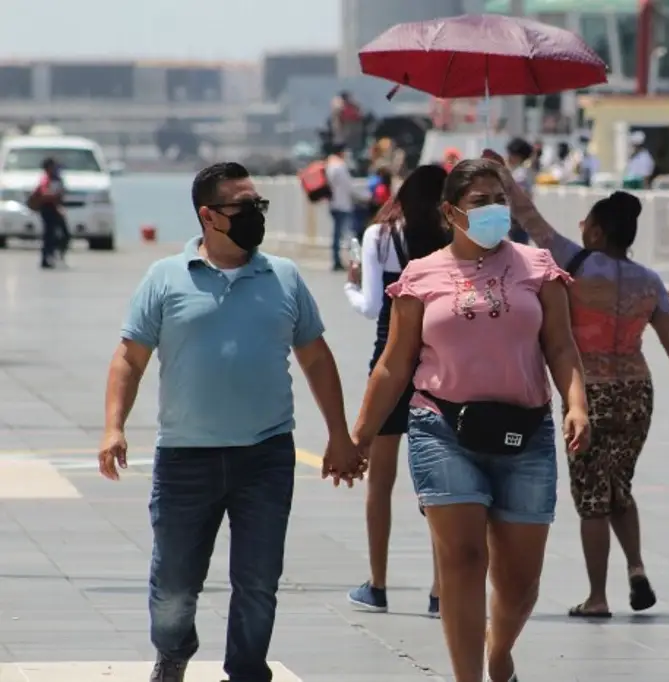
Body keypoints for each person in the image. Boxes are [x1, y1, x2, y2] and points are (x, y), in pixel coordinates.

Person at [98, 161, 365, 682]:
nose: (255, 215)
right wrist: (114, 426)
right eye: (243, 207)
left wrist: (339, 435)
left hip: (265, 457)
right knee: (175, 585)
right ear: (208, 216)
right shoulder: (166, 278)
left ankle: (245, 671)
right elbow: (129, 358)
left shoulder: (283, 276)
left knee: (258, 581)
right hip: (185, 459)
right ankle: (172, 654)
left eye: (259, 205)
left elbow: (315, 357)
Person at [351, 158, 591, 682]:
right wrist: (361, 435)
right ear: (450, 212)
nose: (493, 210)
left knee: (521, 581)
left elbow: (561, 347)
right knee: (461, 559)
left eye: (499, 198)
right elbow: (394, 363)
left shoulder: (539, 266)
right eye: (479, 202)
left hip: (525, 432)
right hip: (442, 429)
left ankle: (499, 648)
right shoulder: (421, 275)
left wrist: (576, 403)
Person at [487, 149, 669, 617]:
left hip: (588, 393)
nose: (580, 227)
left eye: (586, 221)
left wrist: (502, 175)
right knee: (619, 488)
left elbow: (530, 219)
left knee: (591, 496)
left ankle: (598, 596)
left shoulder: (577, 262)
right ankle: (636, 568)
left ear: (598, 231)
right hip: (636, 393)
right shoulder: (649, 280)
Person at [344, 164, 449, 617]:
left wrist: (350, 284)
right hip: (440, 363)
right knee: (439, 483)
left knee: (380, 483)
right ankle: (439, 590)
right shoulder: (451, 240)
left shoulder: (381, 237)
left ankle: (378, 583)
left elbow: (370, 307)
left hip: (389, 360)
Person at [33, 157, 70, 269]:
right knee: (49, 235)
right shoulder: (46, 179)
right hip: (49, 209)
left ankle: (55, 255)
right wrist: (55, 196)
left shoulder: (57, 178)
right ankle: (47, 258)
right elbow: (46, 194)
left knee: (63, 234)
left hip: (55, 208)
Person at [326, 144, 356, 271]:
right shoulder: (340, 166)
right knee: (346, 234)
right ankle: (347, 261)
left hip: (333, 204)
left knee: (337, 234)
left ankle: (336, 259)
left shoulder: (329, 165)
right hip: (342, 204)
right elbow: (348, 186)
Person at [505, 138, 534, 245]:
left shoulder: (520, 175)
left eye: (509, 154)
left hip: (518, 222)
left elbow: (521, 197)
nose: (507, 157)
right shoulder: (520, 173)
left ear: (517, 156)